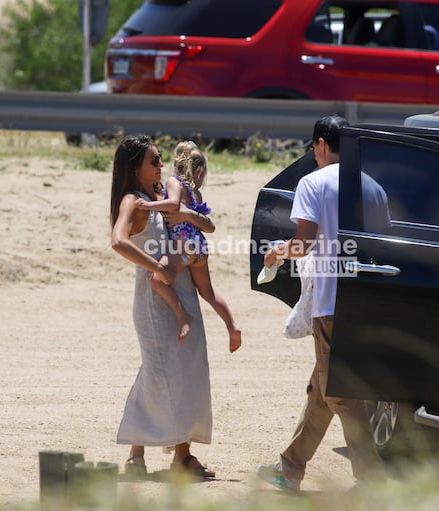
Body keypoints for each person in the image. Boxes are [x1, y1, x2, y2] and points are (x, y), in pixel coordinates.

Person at [256, 115, 390, 491]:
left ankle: (372, 480)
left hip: (332, 301)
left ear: (319, 145)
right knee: (323, 390)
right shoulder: (374, 187)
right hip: (366, 300)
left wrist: (278, 252)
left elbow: (305, 243)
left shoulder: (312, 182)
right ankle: (290, 468)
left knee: (340, 394)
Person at [109, 134, 217, 479]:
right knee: (160, 372)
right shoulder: (132, 201)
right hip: (155, 301)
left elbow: (201, 227)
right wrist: (156, 267)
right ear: (134, 168)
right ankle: (154, 455)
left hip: (182, 294)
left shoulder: (162, 197)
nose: (161, 165)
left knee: (186, 371)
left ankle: (170, 455)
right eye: (153, 161)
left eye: (159, 159)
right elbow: (118, 241)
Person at [134, 145, 242, 353]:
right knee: (208, 292)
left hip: (184, 244)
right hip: (199, 247)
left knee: (157, 280)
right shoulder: (196, 193)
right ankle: (232, 326)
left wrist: (148, 206)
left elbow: (173, 203)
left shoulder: (173, 182)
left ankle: (182, 315)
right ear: (199, 172)